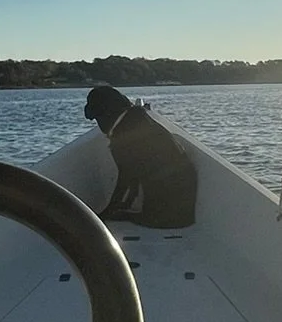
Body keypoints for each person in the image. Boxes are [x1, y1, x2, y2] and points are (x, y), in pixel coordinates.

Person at [84, 85, 198, 228]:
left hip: (164, 218)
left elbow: (126, 177)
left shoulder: (126, 134)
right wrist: (125, 204)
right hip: (183, 215)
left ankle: (130, 213)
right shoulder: (137, 121)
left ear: (103, 112)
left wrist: (106, 214)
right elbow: (134, 172)